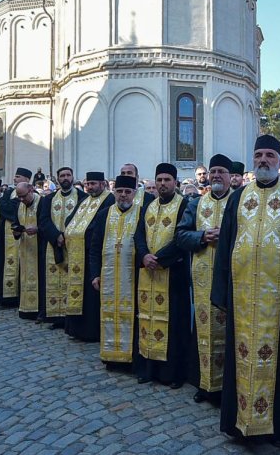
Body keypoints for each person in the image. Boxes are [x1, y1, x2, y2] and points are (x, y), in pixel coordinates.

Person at [210, 134, 280, 447]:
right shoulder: (239, 197)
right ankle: (241, 425)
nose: (263, 160)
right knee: (239, 361)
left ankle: (279, 428)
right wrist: (222, 293)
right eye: (259, 155)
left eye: (269, 155)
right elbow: (226, 244)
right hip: (242, 300)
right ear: (253, 159)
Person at [176, 153, 237, 403]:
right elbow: (181, 235)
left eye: (221, 171)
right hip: (202, 278)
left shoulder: (241, 201)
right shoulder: (195, 203)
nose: (216, 176)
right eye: (213, 172)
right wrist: (202, 237)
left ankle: (229, 388)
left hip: (233, 278)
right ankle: (206, 385)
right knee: (205, 331)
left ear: (231, 176)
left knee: (231, 333)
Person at [134, 163, 193, 388]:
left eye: (167, 180)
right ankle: (148, 369)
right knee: (147, 320)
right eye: (159, 180)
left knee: (174, 325)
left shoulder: (184, 205)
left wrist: (158, 259)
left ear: (175, 183)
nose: (162, 184)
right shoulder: (147, 206)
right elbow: (138, 234)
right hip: (148, 274)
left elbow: (182, 237)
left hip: (173, 274)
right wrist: (144, 255)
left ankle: (173, 374)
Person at [91, 174, 143, 368]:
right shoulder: (104, 214)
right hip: (108, 276)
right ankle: (110, 357)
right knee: (109, 314)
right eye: (119, 191)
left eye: (127, 192)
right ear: (114, 192)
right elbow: (95, 247)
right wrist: (95, 274)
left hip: (133, 278)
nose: (123, 196)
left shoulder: (142, 212)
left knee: (133, 317)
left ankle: (132, 358)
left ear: (134, 193)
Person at [63, 171, 114, 341]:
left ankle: (90, 331)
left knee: (92, 296)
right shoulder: (85, 200)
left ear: (103, 183)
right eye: (88, 184)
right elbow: (70, 219)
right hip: (79, 254)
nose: (90, 187)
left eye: (93, 183)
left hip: (94, 255)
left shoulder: (109, 199)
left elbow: (100, 225)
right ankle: (76, 329)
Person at [36, 167, 84, 326]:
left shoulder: (82, 197)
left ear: (72, 177)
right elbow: (43, 220)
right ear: (57, 179)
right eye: (62, 175)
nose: (65, 178)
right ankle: (55, 315)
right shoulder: (48, 199)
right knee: (53, 279)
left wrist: (68, 235)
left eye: (68, 175)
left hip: (74, 246)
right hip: (53, 244)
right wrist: (56, 235)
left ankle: (70, 316)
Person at [3, 168, 41, 316]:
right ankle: (26, 308)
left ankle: (37, 309)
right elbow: (15, 222)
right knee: (25, 277)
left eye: (23, 197)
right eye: (18, 197)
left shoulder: (41, 201)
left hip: (38, 247)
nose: (21, 200)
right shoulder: (19, 204)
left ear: (30, 189)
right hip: (25, 248)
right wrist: (17, 232)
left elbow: (45, 222)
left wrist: (37, 229)